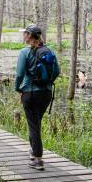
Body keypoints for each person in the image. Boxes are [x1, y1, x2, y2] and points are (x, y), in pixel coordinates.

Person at [14, 24, 60, 170]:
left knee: (33, 125)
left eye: (25, 34)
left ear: (29, 36)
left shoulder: (24, 52)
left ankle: (38, 160)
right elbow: (57, 71)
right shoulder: (48, 50)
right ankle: (33, 151)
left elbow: (19, 74)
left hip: (30, 93)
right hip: (46, 94)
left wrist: (17, 88)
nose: (23, 36)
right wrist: (46, 82)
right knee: (35, 123)